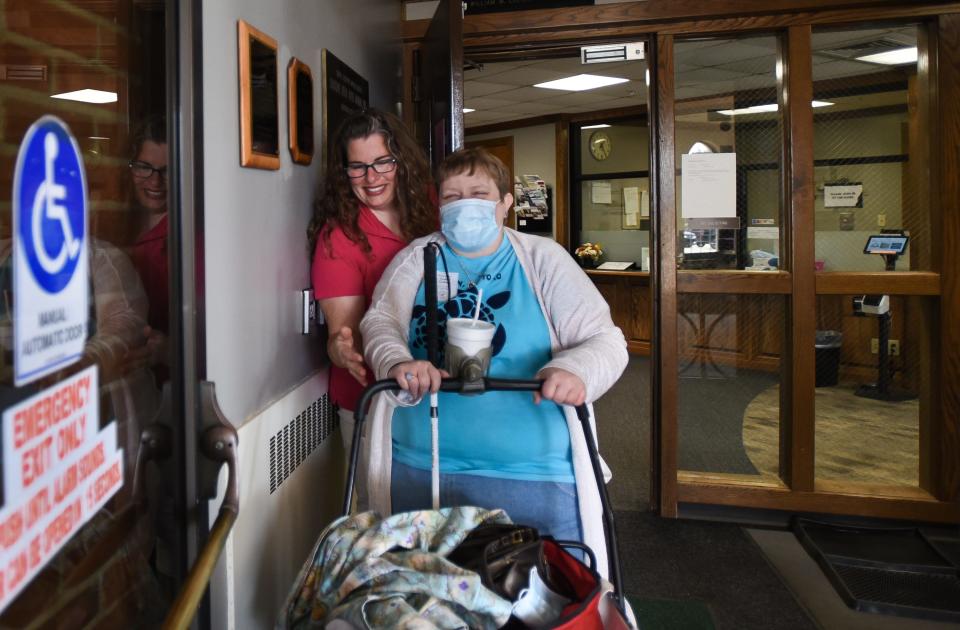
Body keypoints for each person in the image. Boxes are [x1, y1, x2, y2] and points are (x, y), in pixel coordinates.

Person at [359, 147, 628, 577]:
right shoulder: (417, 257)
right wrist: (398, 362)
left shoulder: (543, 259)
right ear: (438, 204)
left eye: (479, 193)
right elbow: (380, 322)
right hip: (421, 468)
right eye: (452, 195)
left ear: (505, 203)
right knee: (424, 599)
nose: (465, 204)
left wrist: (575, 370)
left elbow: (606, 340)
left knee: (544, 597)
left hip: (533, 475)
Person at [308, 108, 436, 452]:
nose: (371, 177)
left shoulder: (434, 209)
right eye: (357, 167)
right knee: (379, 503)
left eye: (384, 162)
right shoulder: (340, 237)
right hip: (374, 399)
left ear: (402, 161)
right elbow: (343, 336)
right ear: (344, 173)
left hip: (439, 392)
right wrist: (341, 350)